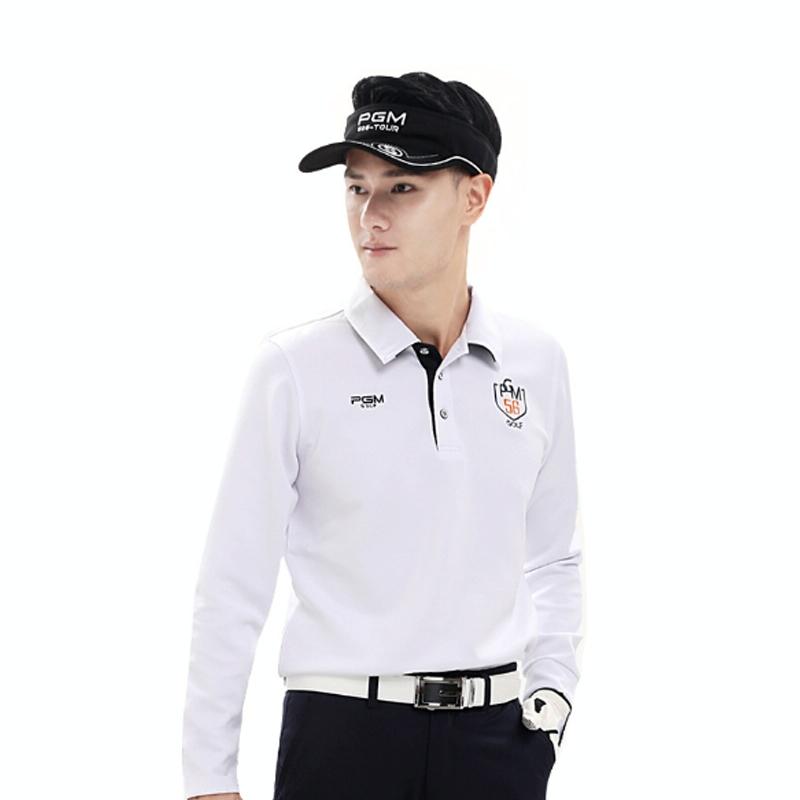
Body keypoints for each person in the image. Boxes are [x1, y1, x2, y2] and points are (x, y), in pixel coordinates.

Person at [181, 70, 585, 800]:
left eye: (402, 187)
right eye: (357, 186)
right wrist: (210, 779)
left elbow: (554, 556)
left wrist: (551, 701)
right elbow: (232, 586)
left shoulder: (535, 364)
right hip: (343, 740)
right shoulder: (293, 370)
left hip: (499, 745)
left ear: (475, 197)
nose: (371, 214)